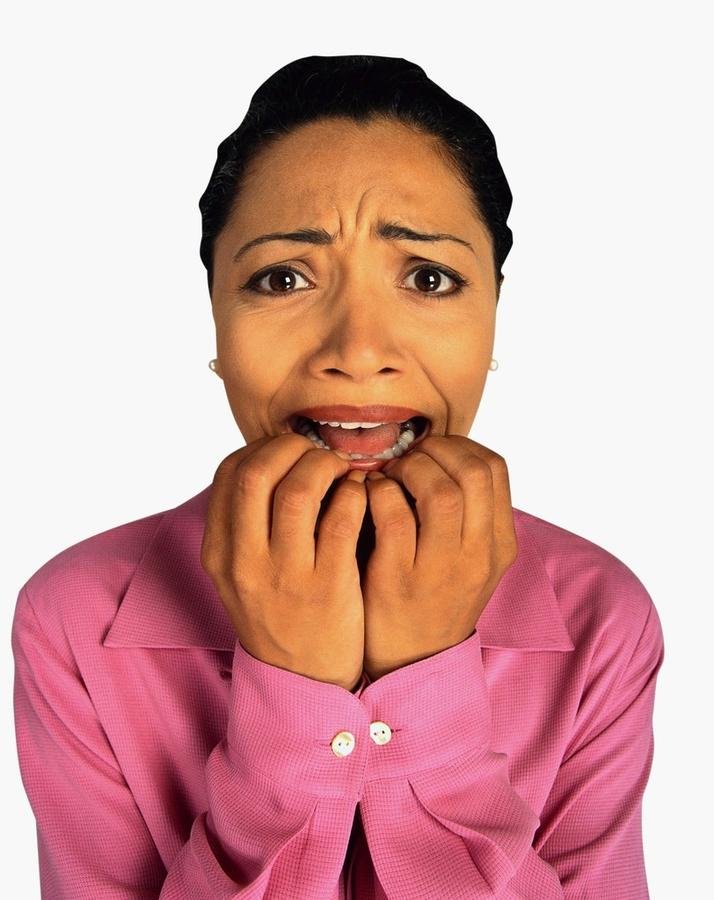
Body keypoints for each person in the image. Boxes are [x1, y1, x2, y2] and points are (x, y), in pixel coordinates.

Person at [12, 54, 665, 898]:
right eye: (282, 278)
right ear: (215, 315)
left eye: (429, 278)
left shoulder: (599, 618)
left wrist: (428, 679)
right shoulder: (76, 621)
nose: (358, 351)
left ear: (493, 316)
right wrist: (294, 694)